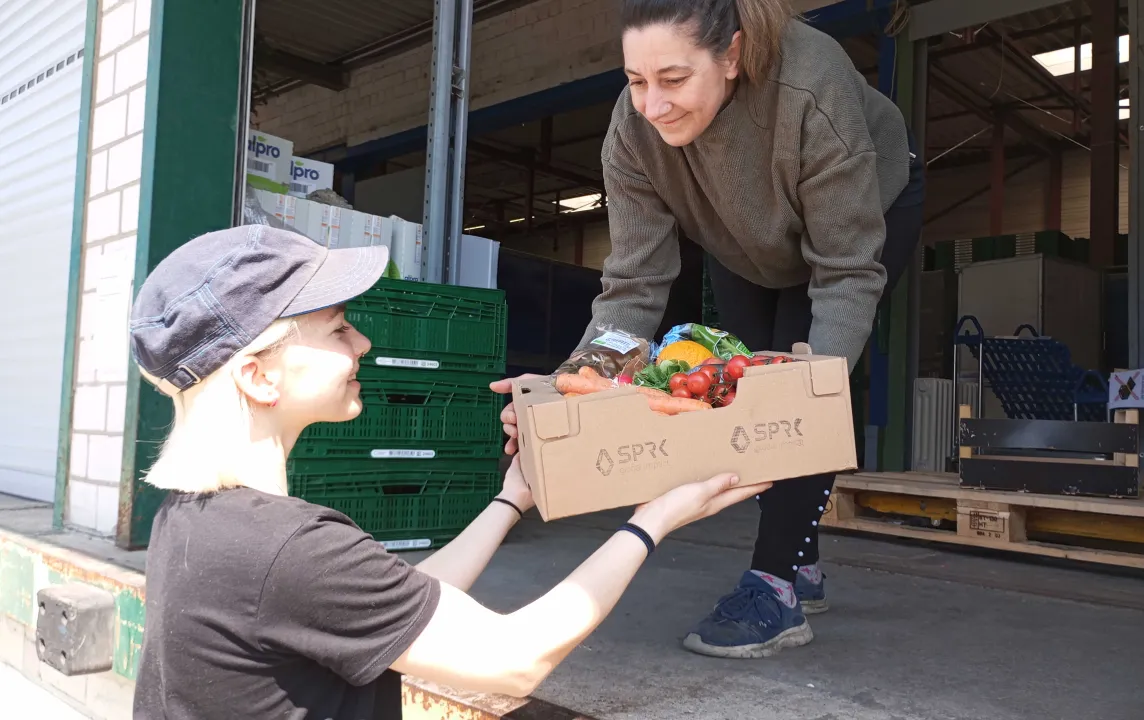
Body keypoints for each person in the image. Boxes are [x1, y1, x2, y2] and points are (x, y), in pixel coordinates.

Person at [128, 224, 771, 719]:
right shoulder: (287, 548)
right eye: (338, 329)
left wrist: (512, 497)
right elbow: (513, 660)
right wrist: (653, 519)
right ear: (257, 375)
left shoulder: (197, 519)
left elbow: (398, 600)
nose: (364, 344)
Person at [491, 0, 926, 660]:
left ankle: (775, 584)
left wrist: (812, 395)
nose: (653, 105)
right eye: (636, 81)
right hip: (741, 241)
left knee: (794, 384)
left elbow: (843, 273)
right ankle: (802, 558)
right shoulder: (631, 135)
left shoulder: (812, 87)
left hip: (862, 219)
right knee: (731, 387)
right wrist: (567, 392)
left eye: (673, 79)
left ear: (731, 56)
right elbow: (632, 290)